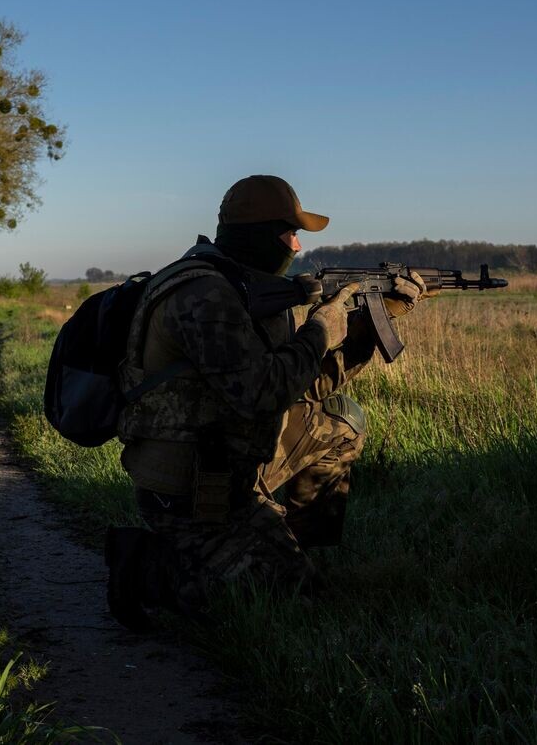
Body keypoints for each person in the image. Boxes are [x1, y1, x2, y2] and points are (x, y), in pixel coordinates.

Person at [106, 174, 432, 630]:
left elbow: (304, 387)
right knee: (288, 605)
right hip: (190, 486)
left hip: (230, 457)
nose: (297, 248)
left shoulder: (248, 289)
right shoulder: (205, 294)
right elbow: (259, 394)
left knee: (342, 423)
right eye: (288, 234)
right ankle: (148, 567)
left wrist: (370, 324)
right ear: (256, 234)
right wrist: (319, 330)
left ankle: (286, 544)